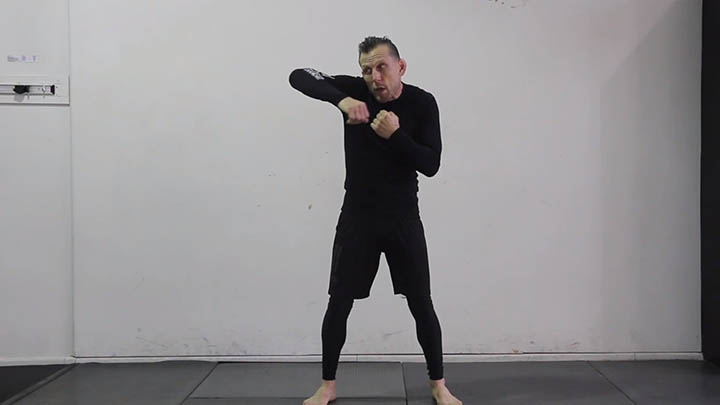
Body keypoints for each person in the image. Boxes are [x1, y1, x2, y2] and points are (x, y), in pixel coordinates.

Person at [289, 36, 462, 405]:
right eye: (367, 70)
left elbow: (431, 164)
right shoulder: (354, 91)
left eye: (382, 67)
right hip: (358, 218)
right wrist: (342, 100)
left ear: (401, 67)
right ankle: (328, 386)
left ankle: (438, 384)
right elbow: (299, 75)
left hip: (403, 218)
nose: (375, 77)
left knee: (421, 302)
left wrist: (395, 135)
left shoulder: (422, 102)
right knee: (339, 302)